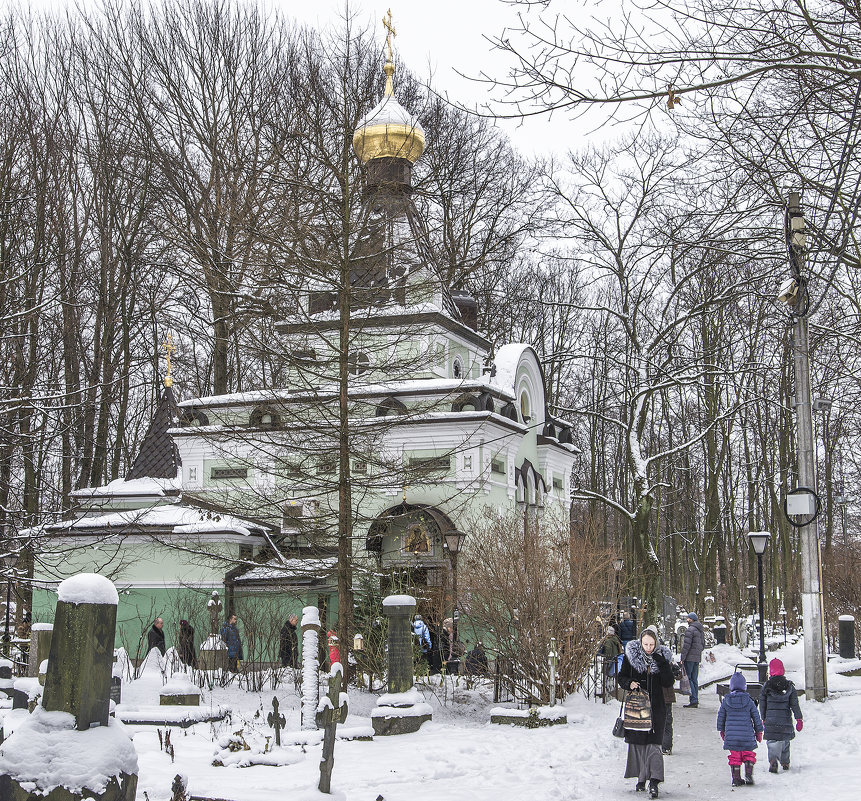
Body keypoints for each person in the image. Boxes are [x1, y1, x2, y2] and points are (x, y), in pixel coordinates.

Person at [617, 627, 675, 798]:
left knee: (655, 744)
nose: (648, 647)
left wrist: (662, 663)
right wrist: (630, 683)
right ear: (640, 642)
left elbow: (668, 681)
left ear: (656, 642)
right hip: (638, 707)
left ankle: (655, 781)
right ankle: (641, 777)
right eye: (645, 644)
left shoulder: (662, 656)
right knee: (639, 744)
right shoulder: (632, 656)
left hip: (657, 707)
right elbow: (621, 677)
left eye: (651, 644)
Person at [717, 671, 764, 786]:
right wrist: (759, 731)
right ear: (744, 687)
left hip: (732, 736)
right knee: (748, 754)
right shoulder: (749, 701)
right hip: (747, 735)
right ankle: (748, 774)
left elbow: (721, 717)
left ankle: (736, 778)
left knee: (735, 756)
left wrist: (722, 730)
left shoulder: (726, 701)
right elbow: (756, 717)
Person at [759, 658, 803, 773]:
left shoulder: (766, 687)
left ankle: (773, 759)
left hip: (771, 720)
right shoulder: (789, 687)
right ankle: (785, 762)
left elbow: (762, 704)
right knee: (785, 741)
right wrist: (799, 718)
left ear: (771, 671)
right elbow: (795, 704)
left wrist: (763, 718)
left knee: (772, 741)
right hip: (785, 721)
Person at [679, 612, 705, 708]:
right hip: (697, 658)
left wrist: (683, 657)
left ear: (692, 619)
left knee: (689, 678)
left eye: (688, 618)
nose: (687, 620)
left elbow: (686, 646)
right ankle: (696, 698)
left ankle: (693, 699)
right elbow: (703, 645)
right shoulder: (700, 630)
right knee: (694, 679)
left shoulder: (690, 630)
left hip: (689, 658)